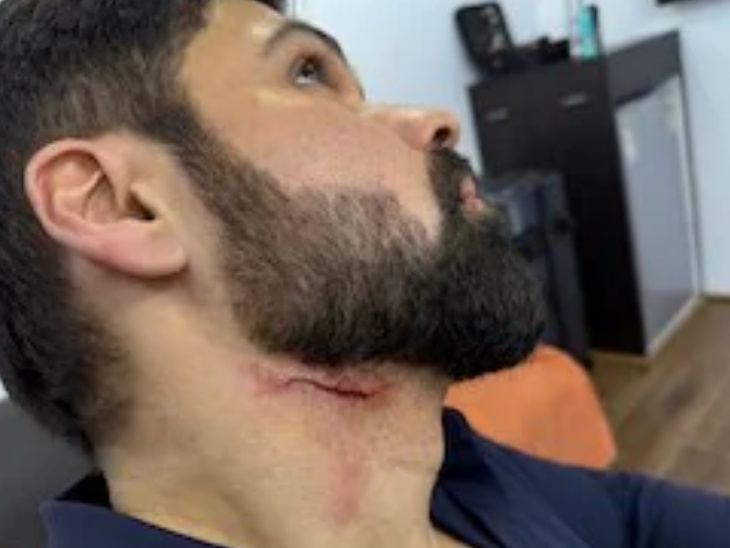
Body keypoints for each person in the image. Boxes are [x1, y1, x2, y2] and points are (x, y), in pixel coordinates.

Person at [0, 1, 728, 547]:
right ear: (121, 206)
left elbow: (631, 515)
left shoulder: (457, 475)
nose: (436, 120)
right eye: (308, 73)